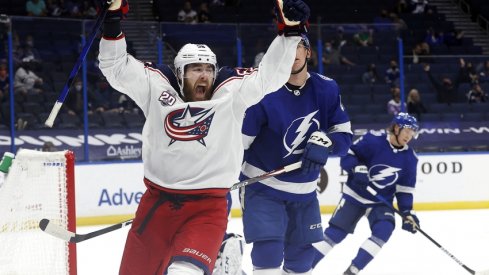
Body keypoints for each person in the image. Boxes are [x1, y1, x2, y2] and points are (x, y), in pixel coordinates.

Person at [98, 0, 310, 274]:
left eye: (209, 69)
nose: (205, 75)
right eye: (196, 69)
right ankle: (223, 255)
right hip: (156, 205)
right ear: (179, 73)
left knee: (183, 272)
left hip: (207, 209)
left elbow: (271, 76)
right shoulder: (156, 87)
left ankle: (218, 253)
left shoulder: (231, 91)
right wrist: (113, 18)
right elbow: (115, 67)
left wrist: (290, 33)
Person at [240, 34, 353, 275]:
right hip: (263, 187)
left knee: (302, 261)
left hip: (305, 194)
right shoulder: (261, 93)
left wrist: (327, 141)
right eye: (286, 48)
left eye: (298, 46)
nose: (292, 52)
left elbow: (344, 139)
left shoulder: (327, 88)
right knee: (267, 252)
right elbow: (238, 145)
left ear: (308, 53)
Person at [312, 112, 421, 275]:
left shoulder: (410, 158)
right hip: (354, 196)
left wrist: (407, 212)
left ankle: (352, 271)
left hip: (380, 203)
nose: (409, 136)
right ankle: (304, 267)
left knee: (384, 229)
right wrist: (356, 168)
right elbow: (347, 156)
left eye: (412, 133)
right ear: (396, 128)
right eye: (407, 131)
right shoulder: (372, 141)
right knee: (335, 234)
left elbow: (404, 190)